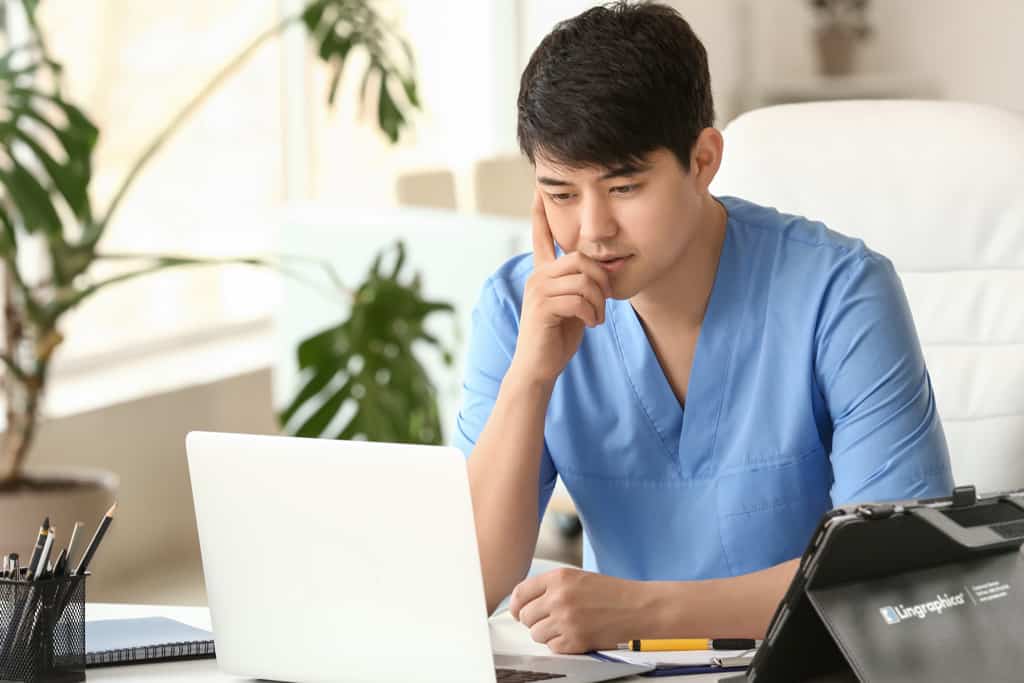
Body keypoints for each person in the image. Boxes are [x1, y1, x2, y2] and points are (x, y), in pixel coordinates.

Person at [452, 1, 953, 655]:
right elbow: (471, 583)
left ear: (703, 159)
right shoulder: (518, 309)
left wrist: (642, 610)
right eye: (561, 194)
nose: (592, 230)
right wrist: (532, 373)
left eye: (625, 187)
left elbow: (894, 578)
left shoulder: (842, 294)